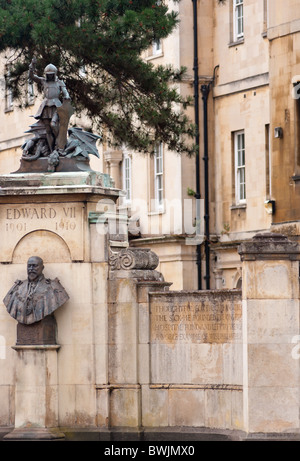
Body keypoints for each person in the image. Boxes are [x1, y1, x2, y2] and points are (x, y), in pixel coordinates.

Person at [3, 256, 69, 325]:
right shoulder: (17, 287)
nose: (31, 269)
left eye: (34, 266)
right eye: (29, 266)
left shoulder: (53, 287)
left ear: (42, 268)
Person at [29, 57, 71, 152]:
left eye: (51, 74)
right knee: (47, 130)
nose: (50, 76)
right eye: (48, 74)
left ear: (55, 74)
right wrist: (32, 65)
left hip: (56, 106)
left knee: (53, 124)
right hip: (45, 106)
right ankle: (52, 150)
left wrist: (67, 96)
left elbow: (65, 92)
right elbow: (32, 76)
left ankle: (60, 141)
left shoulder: (59, 82)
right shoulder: (43, 81)